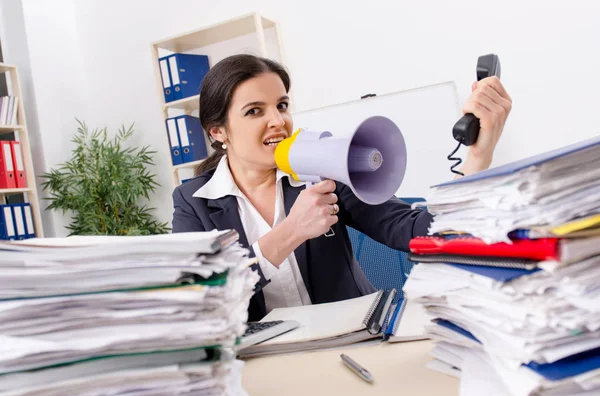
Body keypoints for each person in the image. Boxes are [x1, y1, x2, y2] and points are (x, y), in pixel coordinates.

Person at [172, 54, 512, 321]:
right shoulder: (193, 203)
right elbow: (202, 300)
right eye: (254, 111)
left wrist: (478, 157)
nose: (278, 120)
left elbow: (422, 232)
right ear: (218, 131)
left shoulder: (322, 171)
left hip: (353, 343)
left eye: (282, 105)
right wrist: (289, 232)